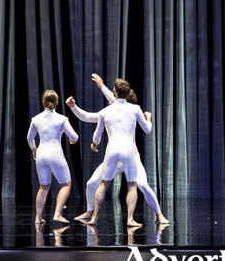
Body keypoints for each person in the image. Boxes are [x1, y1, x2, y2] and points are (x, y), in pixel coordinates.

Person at [66, 76, 169, 224]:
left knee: (142, 185)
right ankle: (90, 212)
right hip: (127, 153)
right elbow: (87, 116)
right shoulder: (120, 110)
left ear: (116, 94)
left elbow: (94, 118)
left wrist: (101, 87)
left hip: (116, 154)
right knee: (92, 183)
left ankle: (159, 215)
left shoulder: (114, 111)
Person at [87, 79, 152, 226]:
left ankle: (93, 217)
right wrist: (149, 119)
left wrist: (94, 144)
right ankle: (129, 219)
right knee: (131, 184)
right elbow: (147, 129)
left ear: (114, 92)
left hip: (112, 149)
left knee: (103, 183)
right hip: (128, 149)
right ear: (128, 93)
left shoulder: (105, 111)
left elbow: (97, 134)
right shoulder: (135, 109)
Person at [26, 90, 79, 224]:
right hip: (55, 153)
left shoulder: (36, 119)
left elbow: (29, 138)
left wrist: (34, 150)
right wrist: (72, 140)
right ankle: (57, 214)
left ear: (43, 102)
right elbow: (74, 136)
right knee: (66, 185)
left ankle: (38, 218)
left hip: (41, 154)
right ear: (57, 102)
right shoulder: (61, 119)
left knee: (43, 187)